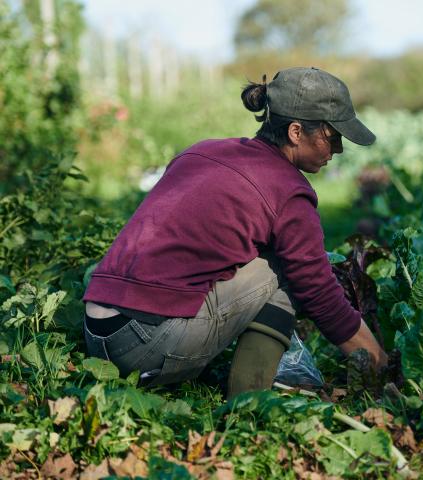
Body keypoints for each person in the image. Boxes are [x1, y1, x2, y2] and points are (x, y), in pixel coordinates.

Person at [82, 67, 387, 399]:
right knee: (292, 267)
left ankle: (268, 379)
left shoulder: (203, 150)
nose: (339, 149)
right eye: (333, 136)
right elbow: (319, 292)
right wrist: (377, 363)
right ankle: (250, 399)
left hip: (96, 332)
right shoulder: (289, 192)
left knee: (277, 255)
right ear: (296, 131)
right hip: (144, 348)